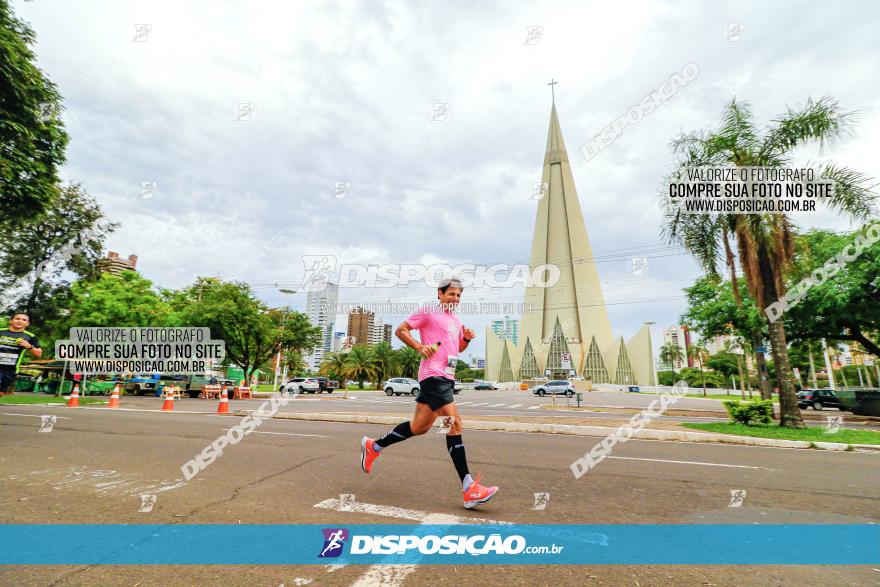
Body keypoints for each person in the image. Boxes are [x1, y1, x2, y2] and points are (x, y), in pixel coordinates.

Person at [359, 277, 498, 509]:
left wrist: (465, 339)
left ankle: (373, 446)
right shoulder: (428, 311)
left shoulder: (455, 319)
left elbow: (457, 349)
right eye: (451, 294)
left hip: (446, 377)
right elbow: (401, 330)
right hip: (434, 376)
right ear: (440, 294)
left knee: (419, 428)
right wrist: (419, 346)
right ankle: (469, 488)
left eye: (459, 295)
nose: (455, 298)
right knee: (453, 424)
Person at [0, 313, 43, 396]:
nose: (20, 321)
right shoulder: (1, 332)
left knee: (1, 392)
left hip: (11, 369)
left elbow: (39, 354)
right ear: (11, 321)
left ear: (27, 324)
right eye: (17, 319)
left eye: (24, 320)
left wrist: (29, 347)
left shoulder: (30, 336)